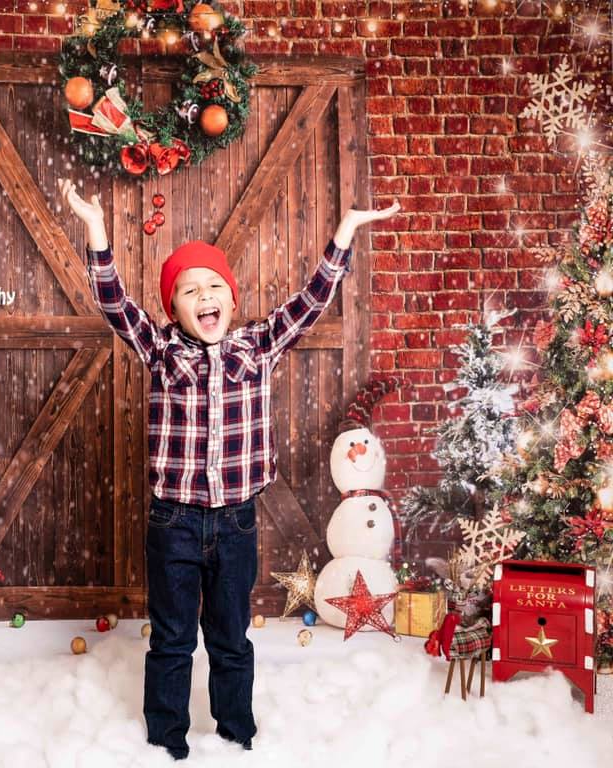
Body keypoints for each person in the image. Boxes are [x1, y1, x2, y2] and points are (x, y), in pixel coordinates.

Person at [58, 177, 400, 760]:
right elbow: (113, 302)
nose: (204, 296)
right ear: (174, 309)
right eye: (190, 291)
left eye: (214, 286)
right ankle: (165, 738)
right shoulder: (161, 350)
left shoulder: (258, 345)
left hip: (237, 522)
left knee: (230, 637)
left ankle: (236, 732)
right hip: (174, 523)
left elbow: (312, 301)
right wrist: (97, 234)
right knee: (170, 638)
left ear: (233, 300)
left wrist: (344, 233)